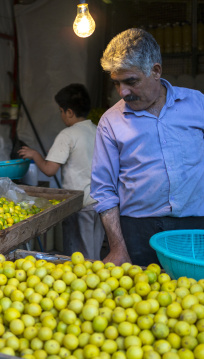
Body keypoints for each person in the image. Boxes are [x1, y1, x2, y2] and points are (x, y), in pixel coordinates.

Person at [91, 28, 204, 267]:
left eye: (131, 82)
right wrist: (118, 248)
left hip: (194, 226)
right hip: (138, 231)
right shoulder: (111, 122)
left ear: (155, 71)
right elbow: (103, 191)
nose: (123, 92)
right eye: (116, 83)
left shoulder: (197, 105)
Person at [18, 84, 105, 260]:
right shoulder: (99, 130)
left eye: (61, 111)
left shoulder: (68, 135)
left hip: (80, 204)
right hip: (102, 203)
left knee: (79, 257)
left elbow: (49, 170)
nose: (61, 116)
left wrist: (35, 155)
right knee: (95, 253)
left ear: (69, 112)